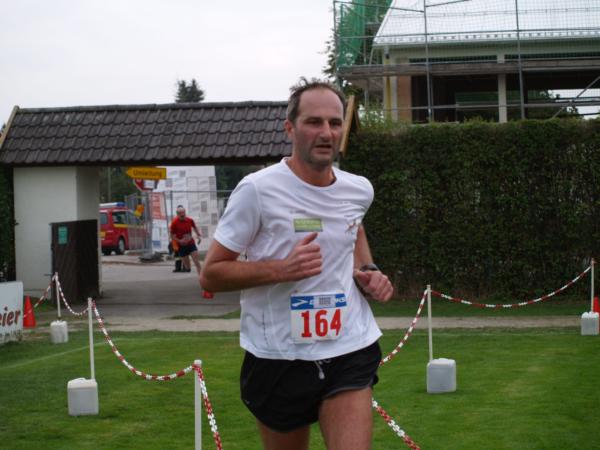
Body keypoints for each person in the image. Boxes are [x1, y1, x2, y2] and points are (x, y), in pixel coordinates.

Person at [200, 78, 393, 450]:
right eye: (314, 122)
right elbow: (212, 274)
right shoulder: (257, 190)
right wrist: (280, 270)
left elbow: (353, 228)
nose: (326, 132)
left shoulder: (358, 189)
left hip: (348, 346)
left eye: (334, 123)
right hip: (278, 356)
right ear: (290, 128)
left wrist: (367, 271)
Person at [169, 205, 202, 274]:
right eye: (180, 214)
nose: (182, 215)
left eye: (183, 213)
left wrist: (198, 236)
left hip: (191, 244)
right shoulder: (174, 223)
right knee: (187, 268)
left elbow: (194, 227)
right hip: (181, 246)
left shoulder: (190, 220)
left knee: (197, 262)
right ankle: (187, 267)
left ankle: (202, 277)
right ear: (177, 214)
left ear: (185, 212)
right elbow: (172, 235)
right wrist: (179, 241)